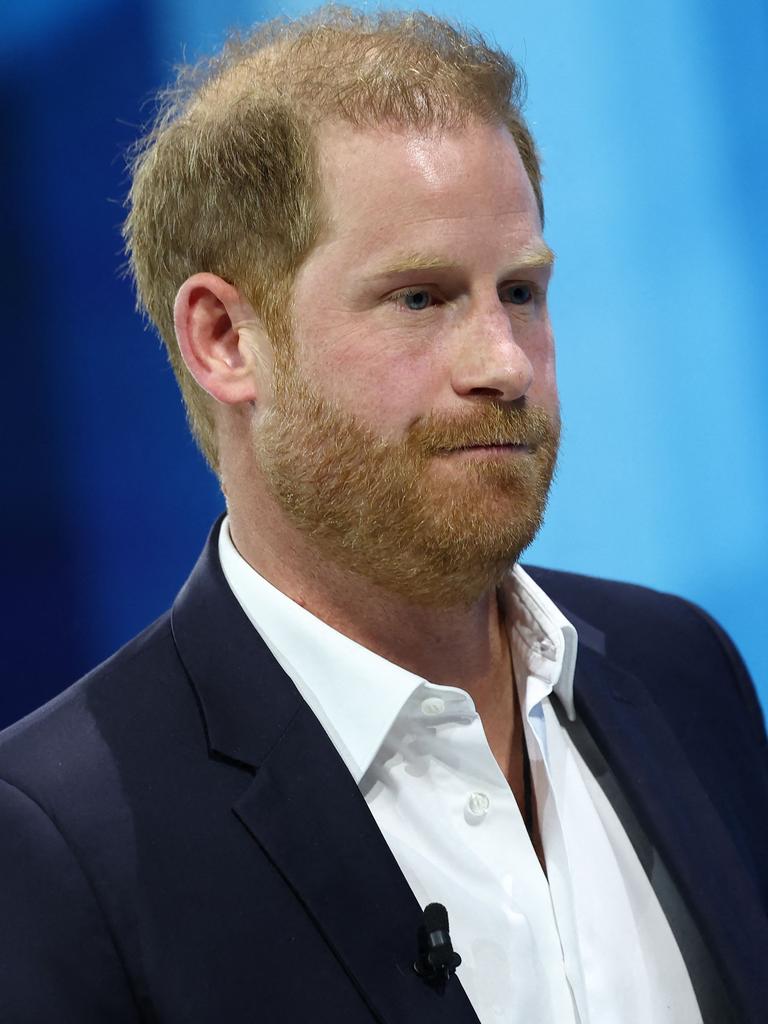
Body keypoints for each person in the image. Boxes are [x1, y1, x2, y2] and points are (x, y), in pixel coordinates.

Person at [1, 7, 766, 1022]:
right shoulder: (55, 838)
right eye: (420, 297)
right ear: (225, 338)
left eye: (523, 292)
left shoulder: (684, 669)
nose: (504, 362)